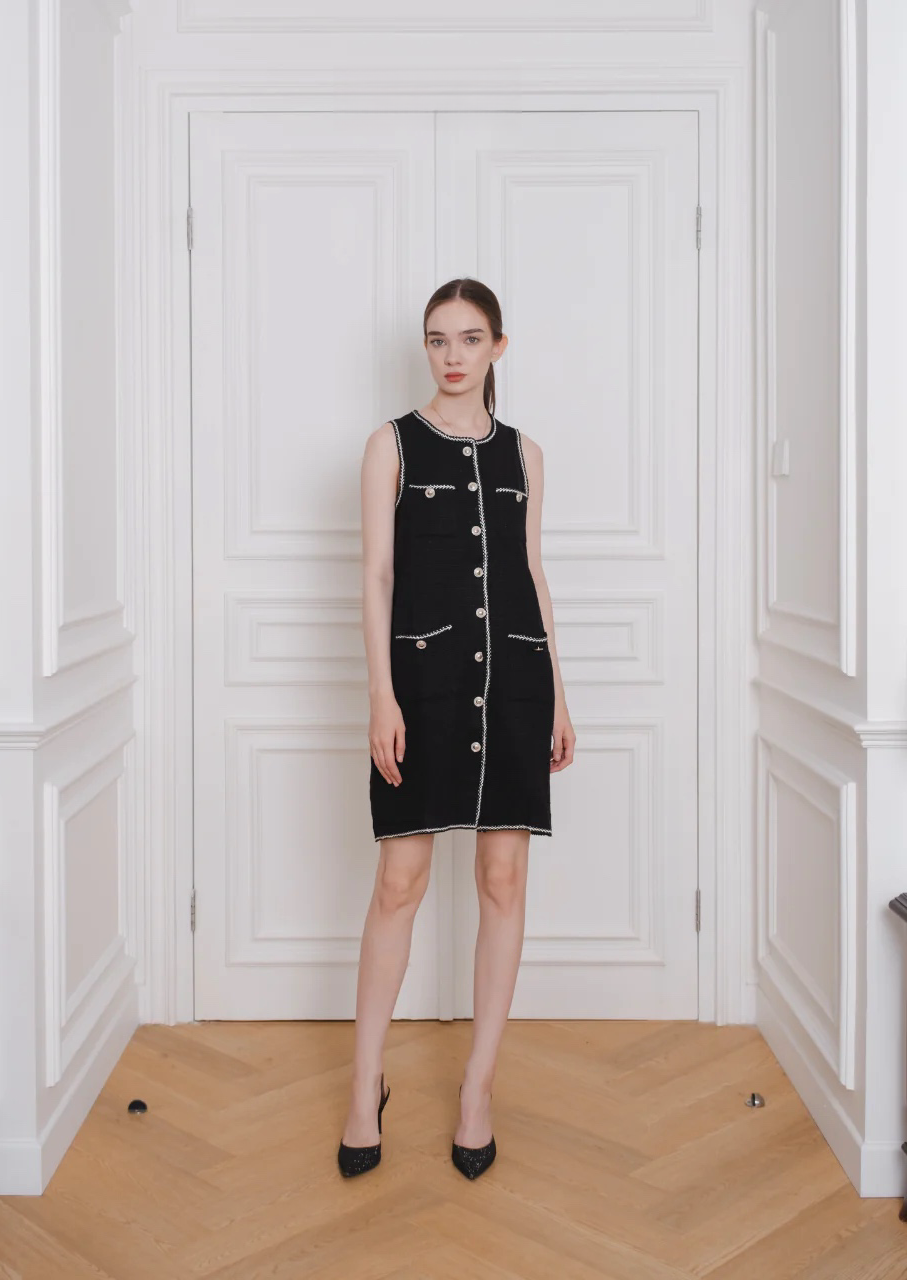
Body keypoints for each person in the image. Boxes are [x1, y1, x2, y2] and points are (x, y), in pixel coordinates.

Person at [338, 278, 575, 1180]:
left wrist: (557, 695)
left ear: (497, 348)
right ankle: (365, 1087)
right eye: (438, 339)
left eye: (470, 338)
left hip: (514, 681)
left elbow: (531, 573)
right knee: (399, 882)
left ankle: (478, 1090)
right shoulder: (389, 446)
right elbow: (376, 576)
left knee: (504, 878)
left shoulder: (526, 454)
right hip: (422, 687)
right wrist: (381, 695)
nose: (452, 355)